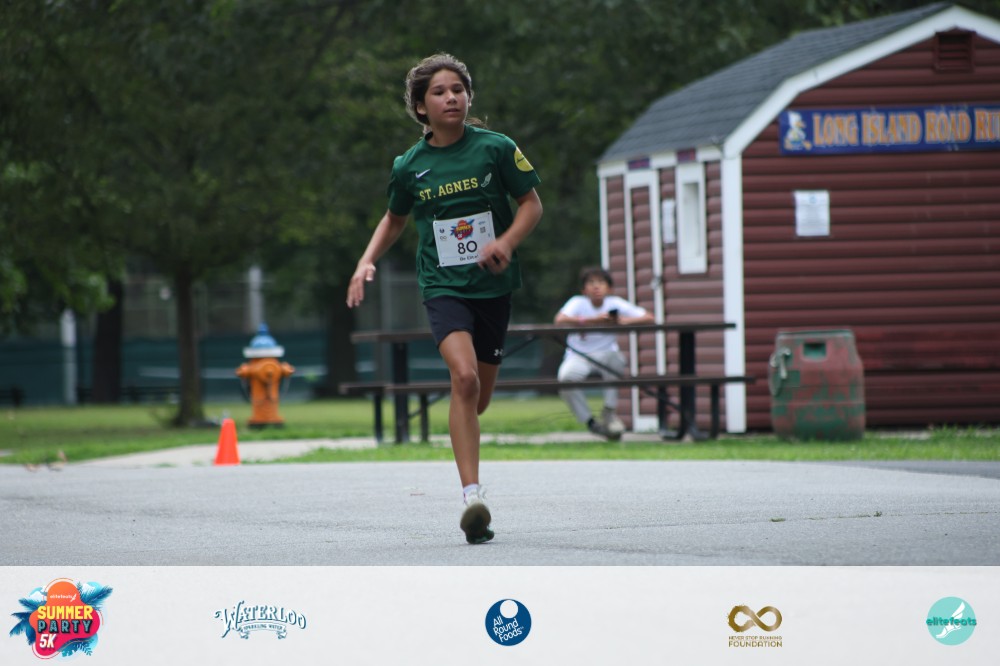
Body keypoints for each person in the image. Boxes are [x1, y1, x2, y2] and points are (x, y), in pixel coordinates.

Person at [346, 53, 543, 545]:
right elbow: (394, 219)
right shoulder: (409, 166)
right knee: (464, 378)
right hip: (442, 285)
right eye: (439, 92)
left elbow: (531, 205)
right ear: (420, 107)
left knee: (479, 397)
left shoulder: (496, 149)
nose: (451, 97)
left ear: (469, 97)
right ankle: (472, 498)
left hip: (493, 287)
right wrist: (366, 260)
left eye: (458, 89)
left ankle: (465, 438)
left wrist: (506, 243)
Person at [554, 266, 653, 440]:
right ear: (584, 290)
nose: (596, 286)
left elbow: (649, 317)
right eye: (591, 282)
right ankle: (591, 422)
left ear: (609, 288)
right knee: (565, 379)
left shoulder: (615, 303)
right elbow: (560, 320)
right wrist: (593, 320)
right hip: (578, 355)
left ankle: (609, 411)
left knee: (617, 360)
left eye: (601, 282)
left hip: (606, 354)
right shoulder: (577, 302)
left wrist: (624, 321)